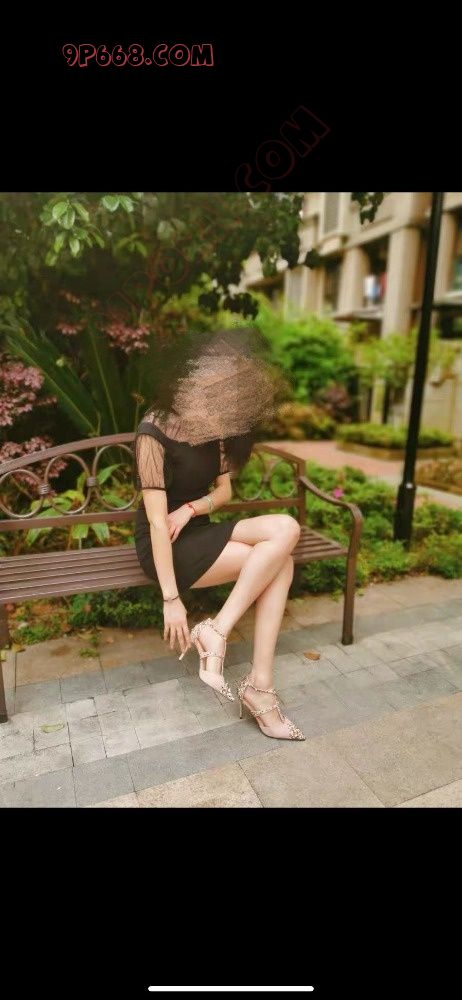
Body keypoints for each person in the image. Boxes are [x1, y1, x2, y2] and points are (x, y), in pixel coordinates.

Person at [133, 327, 305, 741]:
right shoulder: (153, 430)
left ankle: (218, 631)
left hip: (199, 528)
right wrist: (171, 599)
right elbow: (157, 523)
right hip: (165, 546)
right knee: (280, 564)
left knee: (287, 528)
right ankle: (260, 688)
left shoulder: (218, 428)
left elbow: (224, 492)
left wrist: (192, 508)